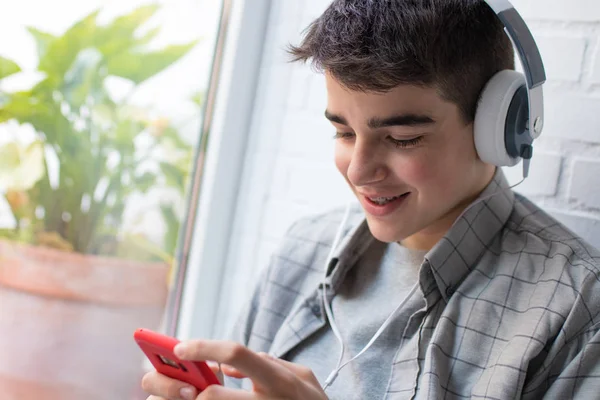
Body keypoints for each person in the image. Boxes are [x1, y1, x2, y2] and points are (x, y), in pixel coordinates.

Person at [141, 0, 600, 399]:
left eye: (402, 137)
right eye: (343, 131)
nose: (359, 171)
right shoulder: (302, 252)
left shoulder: (575, 310)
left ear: (499, 128)